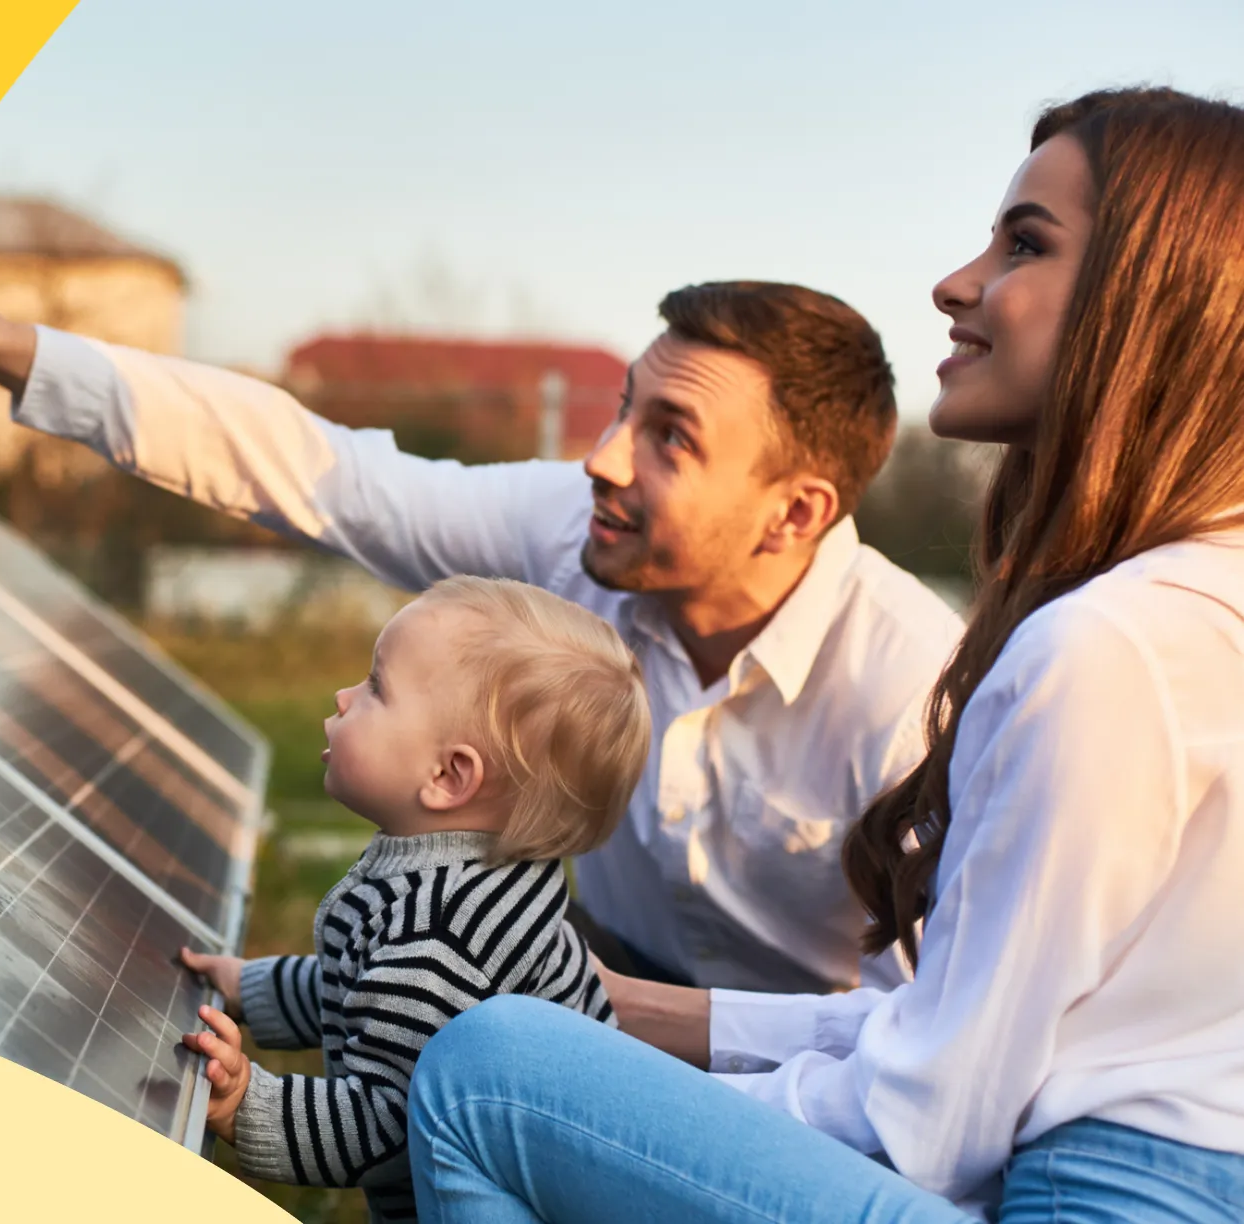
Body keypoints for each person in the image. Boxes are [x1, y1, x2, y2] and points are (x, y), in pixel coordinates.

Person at [403, 86, 1244, 1222]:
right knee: (531, 1046)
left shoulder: (1105, 649)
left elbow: (930, 1123)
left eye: (1026, 244)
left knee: (484, 1077)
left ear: (1157, 305)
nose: (956, 284)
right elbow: (961, 1021)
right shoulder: (1194, 611)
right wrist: (612, 1013)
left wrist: (610, 1103)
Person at [0, 217, 963, 997]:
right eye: (624, 408)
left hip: (797, 1065)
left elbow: (914, 1045)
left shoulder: (912, 690)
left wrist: (602, 1026)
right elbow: (318, 473)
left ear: (795, 512)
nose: (601, 457)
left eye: (670, 437)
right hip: (592, 970)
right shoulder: (573, 534)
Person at [174, 575, 646, 1222]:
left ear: (448, 777)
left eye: (374, 689)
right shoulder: (484, 876)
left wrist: (245, 1103)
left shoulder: (438, 939)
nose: (343, 696)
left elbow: (384, 1125)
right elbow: (368, 993)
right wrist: (249, 988)